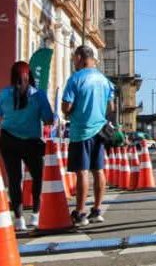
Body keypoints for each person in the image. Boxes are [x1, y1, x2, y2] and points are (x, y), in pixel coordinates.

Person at [62, 45, 115, 227]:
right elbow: (111, 107)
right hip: (100, 130)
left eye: (74, 59)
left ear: (79, 57)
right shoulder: (105, 80)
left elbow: (66, 107)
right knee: (98, 170)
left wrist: (73, 111)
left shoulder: (75, 79)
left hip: (81, 131)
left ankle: (80, 212)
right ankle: (97, 210)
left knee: (82, 172)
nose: (73, 62)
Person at [0, 61, 53, 231]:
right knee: (38, 177)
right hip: (32, 142)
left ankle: (18, 219)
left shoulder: (4, 94)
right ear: (29, 76)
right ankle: (35, 215)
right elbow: (48, 119)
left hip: (8, 140)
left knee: (14, 179)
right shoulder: (38, 95)